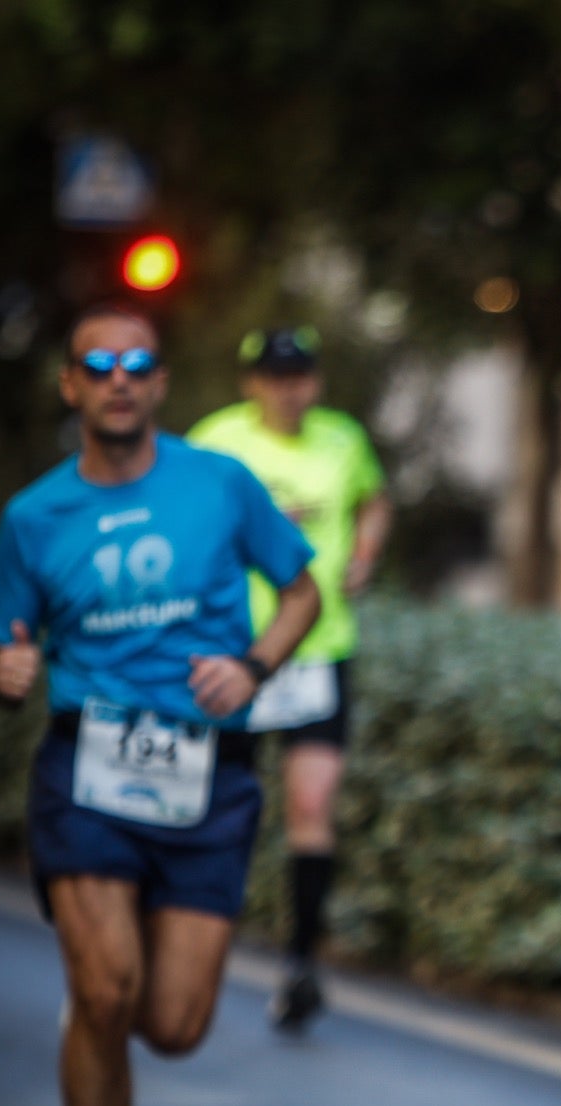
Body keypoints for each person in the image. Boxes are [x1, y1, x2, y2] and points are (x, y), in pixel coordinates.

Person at [0, 304, 319, 1106]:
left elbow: (301, 591)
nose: (119, 378)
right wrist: (2, 673)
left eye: (138, 363)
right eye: (99, 364)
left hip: (206, 772)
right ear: (72, 386)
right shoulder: (34, 515)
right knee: (106, 987)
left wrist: (253, 665)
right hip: (86, 768)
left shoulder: (218, 482)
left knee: (171, 1025)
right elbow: (4, 644)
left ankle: (94, 1022)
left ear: (160, 383)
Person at [188, 329, 391, 1030]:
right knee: (225, 806)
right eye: (273, 376)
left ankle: (301, 961)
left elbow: (374, 499)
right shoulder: (215, 441)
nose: (288, 388)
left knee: (312, 804)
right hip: (235, 653)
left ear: (317, 380)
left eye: (299, 374)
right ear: (250, 382)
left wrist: (365, 553)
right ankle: (199, 941)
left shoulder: (343, 439)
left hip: (318, 648)